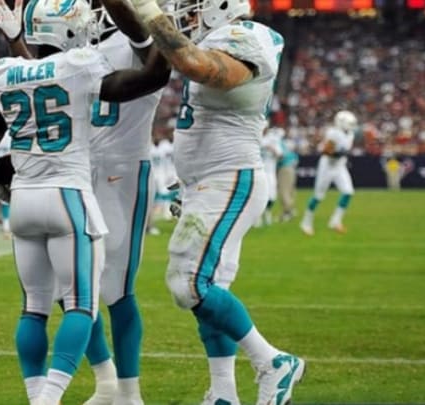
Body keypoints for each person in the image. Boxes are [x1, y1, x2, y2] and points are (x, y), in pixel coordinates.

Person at [0, 1, 169, 404]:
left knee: (34, 308)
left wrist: (2, 190)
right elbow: (154, 75)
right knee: (82, 305)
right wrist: (150, 31)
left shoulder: (3, 72)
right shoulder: (80, 65)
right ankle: (52, 399)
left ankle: (37, 395)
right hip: (68, 197)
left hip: (23, 201)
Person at [124, 0, 305, 404]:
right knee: (210, 290)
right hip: (206, 182)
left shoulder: (247, 37)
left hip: (230, 178)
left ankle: (273, 362)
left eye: (193, 6)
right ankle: (223, 393)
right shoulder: (216, 38)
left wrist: (153, 15)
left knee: (187, 282)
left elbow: (200, 68)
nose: (186, 13)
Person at [300, 110, 357, 236]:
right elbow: (327, 151)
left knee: (348, 192)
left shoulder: (350, 134)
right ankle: (306, 222)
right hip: (328, 166)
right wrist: (340, 153)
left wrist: (343, 155)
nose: (352, 126)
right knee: (318, 196)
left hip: (340, 166)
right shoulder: (333, 133)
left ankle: (335, 221)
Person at [256, 126, 283, 227]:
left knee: (272, 195)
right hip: (258, 171)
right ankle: (257, 217)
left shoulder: (273, 139)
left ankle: (267, 212)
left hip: (270, 171)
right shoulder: (255, 138)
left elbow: (280, 155)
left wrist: (272, 149)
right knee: (258, 195)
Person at [276, 129, 298, 222]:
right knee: (290, 191)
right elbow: (295, 158)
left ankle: (287, 213)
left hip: (284, 168)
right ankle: (291, 210)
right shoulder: (285, 144)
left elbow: (281, 156)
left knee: (284, 191)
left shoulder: (279, 144)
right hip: (291, 168)